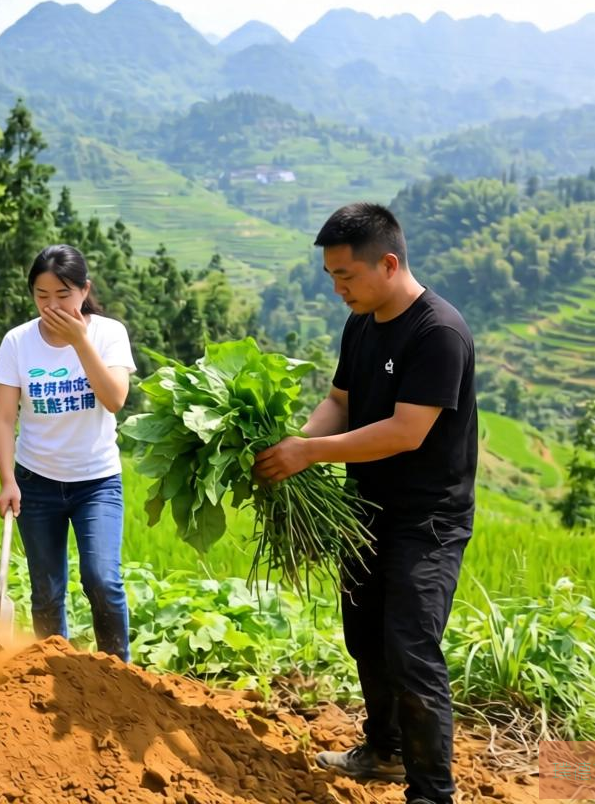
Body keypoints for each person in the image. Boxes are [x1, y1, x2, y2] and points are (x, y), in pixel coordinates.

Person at [254, 203, 477, 804]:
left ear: (388, 262)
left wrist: (310, 452)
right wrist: (294, 446)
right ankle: (384, 751)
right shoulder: (363, 321)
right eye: (330, 276)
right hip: (366, 509)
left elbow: (407, 431)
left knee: (411, 647)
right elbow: (340, 401)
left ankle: (432, 792)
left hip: (427, 519)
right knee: (365, 636)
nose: (337, 289)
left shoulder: (439, 332)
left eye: (345, 276)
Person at [0, 244, 136, 660]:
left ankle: (118, 671)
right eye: (42, 296)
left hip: (97, 482)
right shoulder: (18, 342)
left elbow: (114, 399)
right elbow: (3, 418)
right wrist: (7, 480)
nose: (51, 306)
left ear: (84, 290)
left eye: (63, 295)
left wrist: (79, 342)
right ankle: (57, 670)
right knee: (47, 592)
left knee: (102, 580)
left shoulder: (109, 334)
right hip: (36, 483)